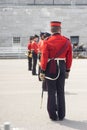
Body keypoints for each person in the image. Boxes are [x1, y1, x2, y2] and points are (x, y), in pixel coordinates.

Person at [40, 21, 72, 121]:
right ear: (60, 30)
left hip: (50, 67)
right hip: (62, 66)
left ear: (51, 30)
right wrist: (67, 70)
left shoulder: (47, 41)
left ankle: (53, 115)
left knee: (51, 92)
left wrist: (42, 70)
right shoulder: (66, 41)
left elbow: (44, 57)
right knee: (61, 92)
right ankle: (62, 114)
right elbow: (70, 57)